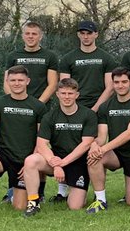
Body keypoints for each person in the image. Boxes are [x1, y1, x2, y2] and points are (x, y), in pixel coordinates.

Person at [21, 78, 98, 215]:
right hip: (55, 159)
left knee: (75, 206)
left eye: (70, 93)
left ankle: (80, 192)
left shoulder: (88, 115)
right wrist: (56, 165)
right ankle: (33, 202)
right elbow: (41, 144)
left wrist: (63, 163)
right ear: (57, 94)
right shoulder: (49, 116)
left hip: (77, 161)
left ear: (77, 95)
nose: (66, 97)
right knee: (31, 161)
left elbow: (86, 143)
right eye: (63, 93)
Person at [0, 66, 45, 217]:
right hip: (3, 153)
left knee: (19, 207)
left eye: (20, 80)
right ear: (7, 81)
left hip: (24, 157)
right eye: (12, 80)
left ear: (28, 81)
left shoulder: (38, 106)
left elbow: (41, 137)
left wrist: (30, 162)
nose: (16, 83)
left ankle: (17, 190)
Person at [86, 67, 130, 211]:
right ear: (112, 84)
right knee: (94, 157)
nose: (120, 85)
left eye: (124, 82)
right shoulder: (105, 106)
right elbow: (102, 136)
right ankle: (100, 200)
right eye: (117, 82)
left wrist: (104, 148)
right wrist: (95, 145)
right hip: (116, 154)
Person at [58, 20, 116, 111]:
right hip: (75, 107)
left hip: (100, 107)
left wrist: (95, 109)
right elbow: (64, 87)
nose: (85, 37)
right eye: (82, 33)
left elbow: (110, 88)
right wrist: (74, 109)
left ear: (96, 34)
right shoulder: (67, 59)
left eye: (89, 33)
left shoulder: (107, 58)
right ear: (78, 35)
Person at [5, 20, 59, 103]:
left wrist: (38, 104)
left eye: (34, 34)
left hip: (41, 105)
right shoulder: (13, 56)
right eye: (27, 33)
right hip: (18, 105)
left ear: (40, 36)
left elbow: (52, 85)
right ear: (23, 36)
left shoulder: (50, 56)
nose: (30, 36)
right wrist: (16, 102)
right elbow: (6, 83)